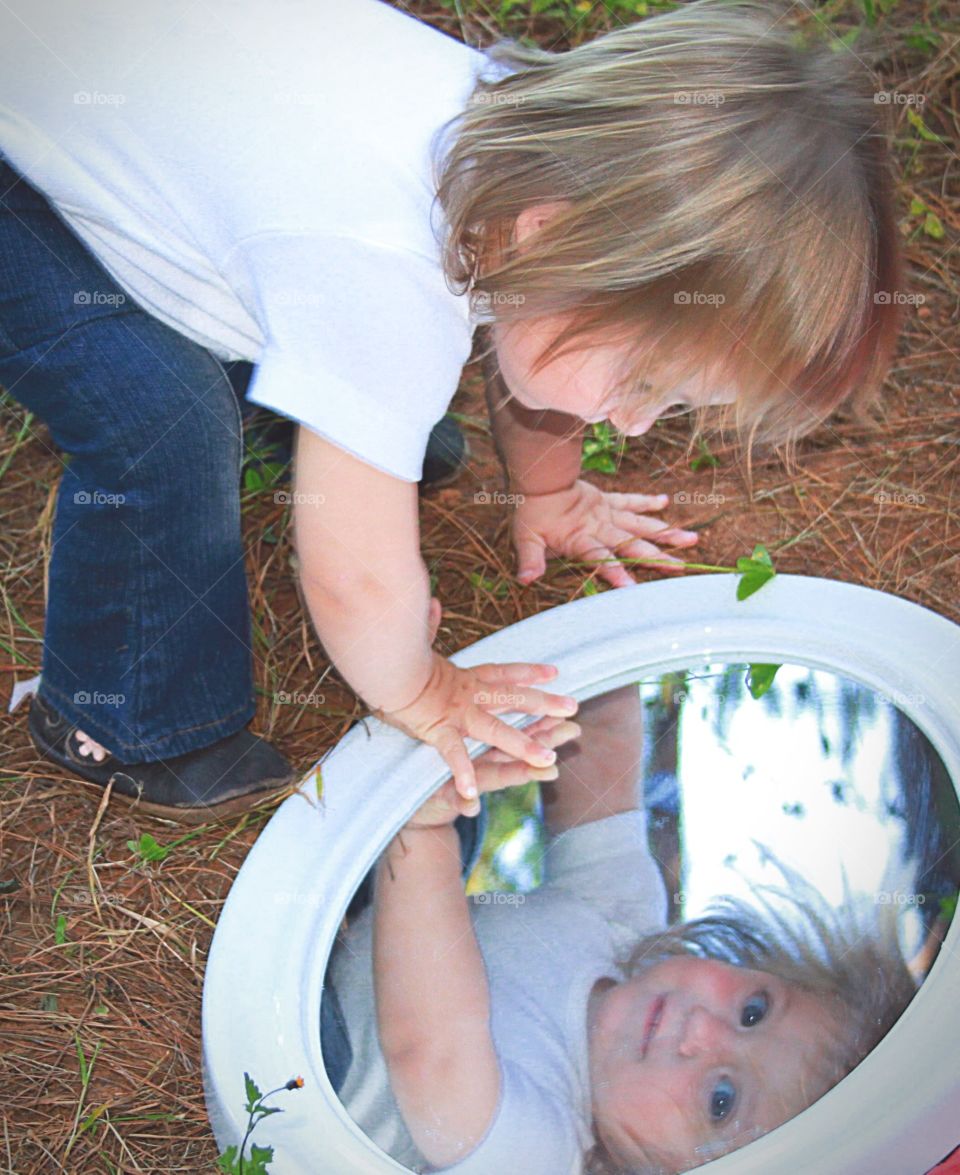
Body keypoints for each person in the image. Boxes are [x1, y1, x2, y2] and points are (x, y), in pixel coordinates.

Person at [0, 0, 903, 820]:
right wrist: (421, 688)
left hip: (139, 112)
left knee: (388, 402)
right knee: (168, 421)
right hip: (23, 171)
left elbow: (527, 325)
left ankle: (325, 405)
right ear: (547, 236)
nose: (633, 425)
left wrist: (546, 495)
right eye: (643, 385)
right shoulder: (383, 275)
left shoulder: (524, 151)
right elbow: (354, 579)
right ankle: (120, 716)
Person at [328, 687, 918, 1174]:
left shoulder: (546, 1151)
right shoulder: (625, 928)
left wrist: (424, 827)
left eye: (721, 1100)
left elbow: (427, 1049)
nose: (703, 1032)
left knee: (442, 816)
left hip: (315, 1047)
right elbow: (600, 754)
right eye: (754, 1010)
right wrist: (598, 617)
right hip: (353, 931)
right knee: (467, 805)